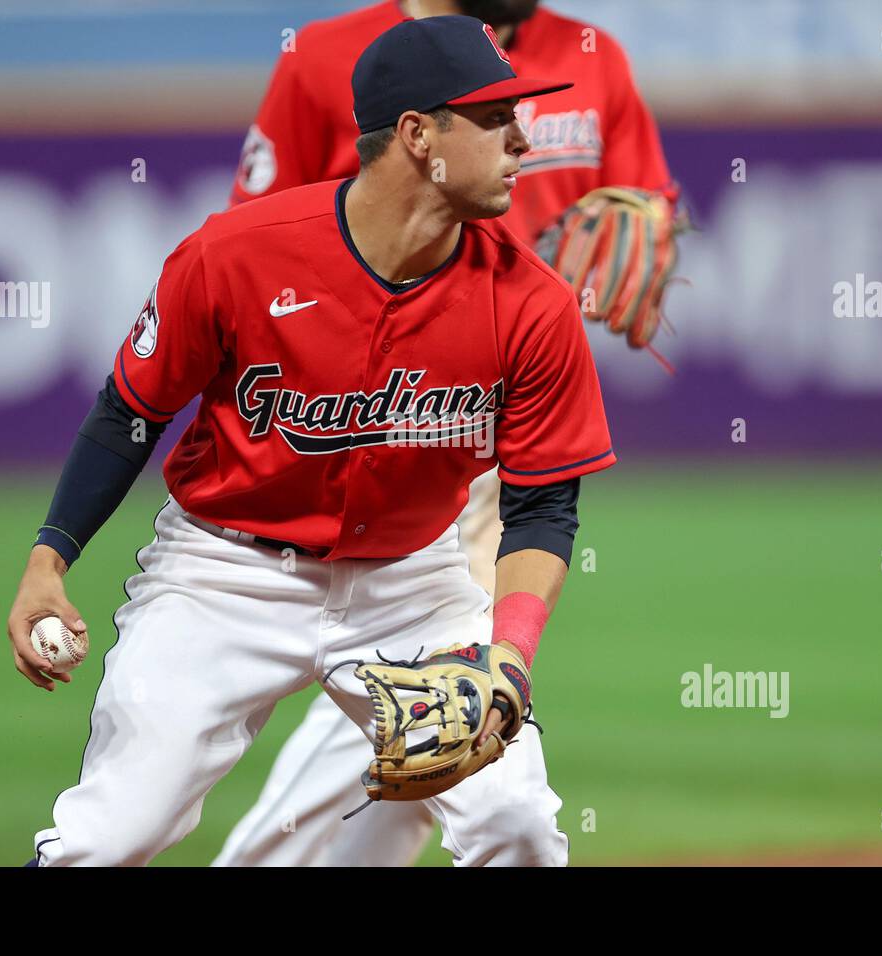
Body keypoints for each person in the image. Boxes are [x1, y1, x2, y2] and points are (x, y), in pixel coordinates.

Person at [8, 15, 615, 867]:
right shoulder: (235, 256)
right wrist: (49, 559)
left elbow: (545, 505)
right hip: (224, 575)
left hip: (413, 584)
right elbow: (128, 413)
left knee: (515, 823)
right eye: (494, 116)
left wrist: (507, 659)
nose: (525, 136)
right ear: (417, 136)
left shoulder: (531, 302)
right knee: (109, 840)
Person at [218, 0, 678, 866]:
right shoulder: (326, 58)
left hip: (518, 419)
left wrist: (650, 230)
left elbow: (643, 211)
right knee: (443, 694)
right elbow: (258, 247)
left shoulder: (592, 56)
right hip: (394, 420)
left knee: (438, 711)